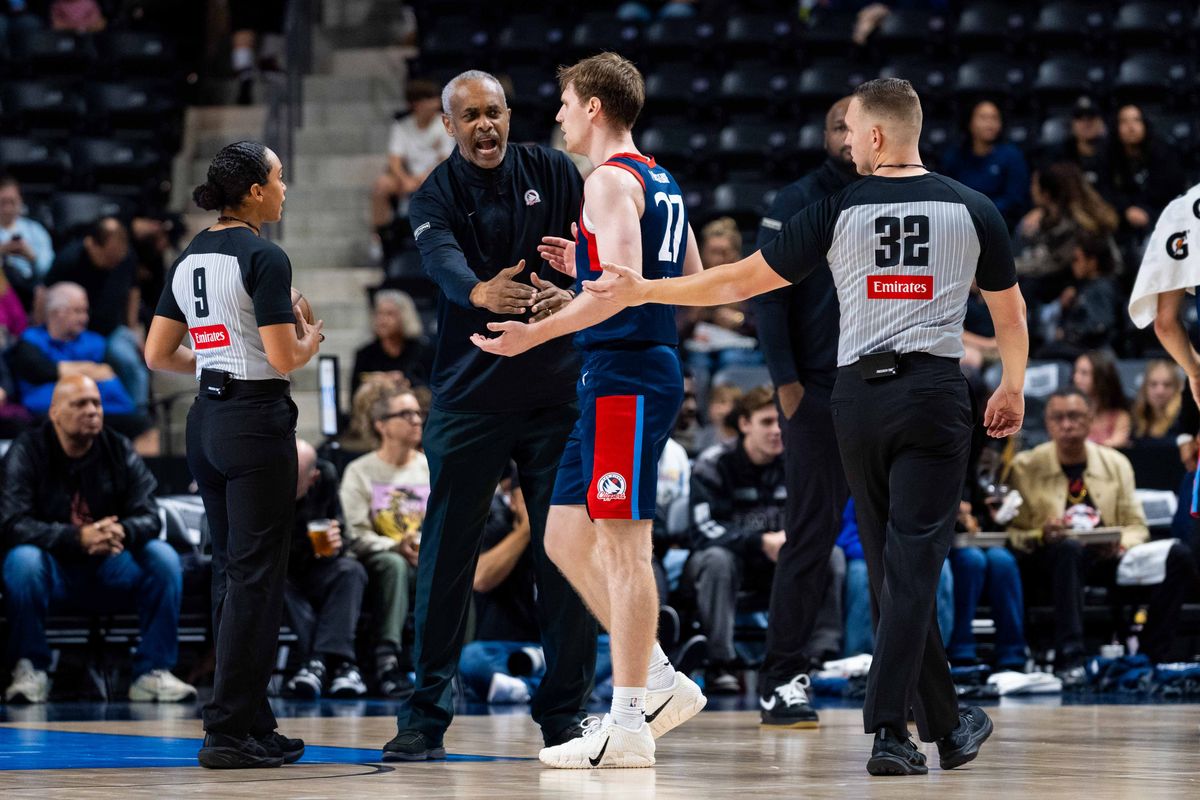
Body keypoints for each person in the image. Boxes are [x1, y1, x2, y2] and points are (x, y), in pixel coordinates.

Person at [584, 78, 1029, 776]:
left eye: (851, 130)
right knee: (910, 562)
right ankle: (889, 728)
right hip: (936, 394)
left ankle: (944, 722)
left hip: (854, 399)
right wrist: (1013, 385)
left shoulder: (834, 209)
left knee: (891, 566)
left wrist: (647, 288)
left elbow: (734, 283)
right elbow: (1010, 314)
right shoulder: (974, 208)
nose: (846, 142)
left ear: (877, 137)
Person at [472, 53, 708, 769]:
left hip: (627, 376)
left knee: (623, 547)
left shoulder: (606, 179)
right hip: (623, 371)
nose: (560, 117)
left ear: (595, 107)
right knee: (566, 537)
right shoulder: (658, 178)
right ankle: (662, 679)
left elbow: (624, 289)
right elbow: (686, 281)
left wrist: (534, 332)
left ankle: (630, 718)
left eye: (566, 104)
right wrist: (591, 269)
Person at [379, 68, 597, 763]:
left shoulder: (555, 169)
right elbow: (441, 262)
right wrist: (481, 292)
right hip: (469, 399)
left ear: (509, 113)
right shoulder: (433, 195)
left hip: (554, 395)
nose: (485, 126)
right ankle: (425, 716)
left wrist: (574, 291)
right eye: (469, 115)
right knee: (444, 556)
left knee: (565, 552)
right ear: (448, 126)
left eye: (494, 112)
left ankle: (564, 715)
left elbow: (599, 245)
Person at [144, 140, 323, 769]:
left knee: (233, 573)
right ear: (252, 190)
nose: (283, 189)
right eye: (277, 179)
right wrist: (309, 339)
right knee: (256, 578)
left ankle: (251, 720)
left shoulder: (190, 255)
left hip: (206, 422)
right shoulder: (265, 256)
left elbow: (157, 355)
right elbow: (284, 359)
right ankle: (226, 729)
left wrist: (218, 359)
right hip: (255, 423)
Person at [752, 94, 858, 728]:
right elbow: (766, 296)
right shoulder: (797, 200)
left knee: (896, 536)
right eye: (838, 125)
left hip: (882, 390)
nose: (849, 135)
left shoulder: (895, 197)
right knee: (811, 538)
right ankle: (781, 674)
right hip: (815, 392)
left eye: (858, 125)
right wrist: (786, 384)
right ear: (825, 135)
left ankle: (908, 674)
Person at [0, 375, 195, 705]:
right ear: (55, 413)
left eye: (96, 404)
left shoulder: (117, 447)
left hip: (111, 564)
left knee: (162, 557)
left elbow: (149, 514)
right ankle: (31, 668)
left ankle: (152, 672)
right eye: (79, 404)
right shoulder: (27, 450)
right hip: (53, 568)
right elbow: (12, 523)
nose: (92, 411)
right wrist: (77, 537)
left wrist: (123, 531)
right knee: (22, 561)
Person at [1004, 388, 1197, 675]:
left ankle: (1150, 655)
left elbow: (1136, 525)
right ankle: (1071, 658)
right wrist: (1042, 534)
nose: (1067, 424)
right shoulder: (1025, 466)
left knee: (1178, 556)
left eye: (1075, 416)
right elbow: (1013, 534)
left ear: (1090, 419)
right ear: (1047, 422)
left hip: (1108, 556)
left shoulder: (1115, 463)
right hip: (1051, 561)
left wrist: (1121, 544)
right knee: (1068, 550)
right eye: (1058, 418)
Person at [684, 386, 785, 693]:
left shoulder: (797, 462)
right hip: (721, 563)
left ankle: (811, 660)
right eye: (767, 422)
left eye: (781, 421)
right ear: (744, 424)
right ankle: (720, 664)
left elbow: (814, 518)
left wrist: (792, 540)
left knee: (827, 556)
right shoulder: (713, 463)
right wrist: (759, 542)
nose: (777, 430)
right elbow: (703, 529)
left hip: (776, 561)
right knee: (717, 559)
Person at [339, 388, 428, 698]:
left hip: (422, 557)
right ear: (381, 424)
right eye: (406, 414)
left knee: (458, 570)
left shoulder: (429, 467)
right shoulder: (361, 471)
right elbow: (355, 533)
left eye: (419, 413)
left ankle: (450, 661)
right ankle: (387, 660)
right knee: (394, 565)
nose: (417, 420)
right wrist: (394, 546)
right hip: (378, 558)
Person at [8, 282, 153, 446]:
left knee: (142, 423)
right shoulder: (31, 339)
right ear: (56, 313)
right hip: (48, 412)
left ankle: (139, 471)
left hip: (104, 410)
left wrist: (64, 371)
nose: (84, 318)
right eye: (77, 311)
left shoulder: (95, 341)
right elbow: (41, 371)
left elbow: (108, 376)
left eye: (85, 311)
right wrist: (90, 370)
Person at [283, 439, 369, 700]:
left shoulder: (326, 477)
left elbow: (339, 531)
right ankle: (337, 663)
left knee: (351, 570)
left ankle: (317, 664)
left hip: (316, 565)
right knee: (274, 581)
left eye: (295, 480)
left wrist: (335, 544)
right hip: (281, 569)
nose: (287, 485)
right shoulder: (263, 482)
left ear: (314, 476)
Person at [42, 217, 148, 412]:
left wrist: (133, 329)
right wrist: (43, 326)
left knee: (132, 363)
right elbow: (45, 291)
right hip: (76, 334)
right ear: (92, 245)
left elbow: (133, 290)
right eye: (108, 258)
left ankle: (138, 419)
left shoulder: (126, 257)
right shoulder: (70, 258)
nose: (113, 264)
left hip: (113, 329)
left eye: (117, 259)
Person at [457, 474, 542, 705]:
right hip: (503, 649)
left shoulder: (561, 539)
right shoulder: (494, 530)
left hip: (552, 647)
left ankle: (526, 687)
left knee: (607, 646)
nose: (536, 503)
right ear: (512, 501)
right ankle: (547, 685)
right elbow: (481, 579)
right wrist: (526, 531)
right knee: (471, 658)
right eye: (528, 498)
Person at [370, 79, 454, 264]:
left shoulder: (444, 124)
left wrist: (419, 180)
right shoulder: (402, 127)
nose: (435, 103)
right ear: (416, 104)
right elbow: (394, 159)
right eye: (429, 99)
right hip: (408, 180)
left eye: (435, 98)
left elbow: (445, 160)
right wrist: (404, 179)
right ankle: (380, 238)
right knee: (381, 186)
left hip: (436, 178)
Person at [940, 100, 1029, 229]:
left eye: (994, 118)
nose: (990, 124)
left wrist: (981, 212)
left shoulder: (1012, 155)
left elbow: (1014, 199)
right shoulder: (955, 156)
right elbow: (946, 193)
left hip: (1000, 223)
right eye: (983, 118)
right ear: (969, 122)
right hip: (960, 223)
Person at [1108, 105, 1184, 243]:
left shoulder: (1163, 153)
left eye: (1136, 120)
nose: (1131, 127)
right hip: (1122, 218)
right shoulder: (1109, 155)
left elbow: (1173, 192)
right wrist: (1126, 209)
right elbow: (1105, 190)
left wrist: (1147, 212)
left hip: (1160, 217)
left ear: (1145, 124)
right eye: (1124, 121)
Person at [1036, 234, 1120, 360]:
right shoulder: (1083, 287)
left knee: (1044, 353)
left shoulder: (1102, 288)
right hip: (1079, 347)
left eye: (1076, 259)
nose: (1073, 265)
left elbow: (1100, 325)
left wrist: (1067, 333)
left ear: (1092, 262)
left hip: (1093, 351)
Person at [350, 290, 433, 395]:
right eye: (379, 313)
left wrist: (405, 380)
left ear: (404, 316)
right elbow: (355, 397)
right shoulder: (365, 354)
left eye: (390, 314)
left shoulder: (422, 351)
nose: (382, 320)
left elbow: (431, 391)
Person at [0, 175, 55, 303]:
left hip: (31, 288)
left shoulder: (36, 230)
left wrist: (31, 256)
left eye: (12, 202)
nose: (7, 208)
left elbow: (50, 270)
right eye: (3, 202)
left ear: (20, 201)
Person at [1073, 350, 1131, 449]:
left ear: (1101, 377)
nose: (1076, 378)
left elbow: (1116, 447)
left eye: (1084, 373)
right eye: (1076, 372)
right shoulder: (1071, 414)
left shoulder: (1120, 417)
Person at [1131, 360, 1183, 443]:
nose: (1160, 391)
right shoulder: (1135, 419)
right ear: (1144, 388)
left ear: (1177, 388)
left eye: (1167, 384)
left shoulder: (1184, 420)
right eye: (1153, 384)